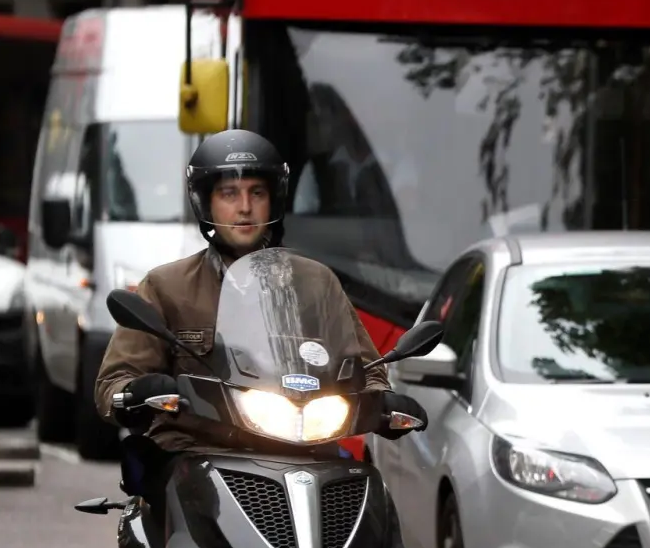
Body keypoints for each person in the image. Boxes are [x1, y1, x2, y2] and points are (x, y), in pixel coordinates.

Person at [92, 128, 424, 506]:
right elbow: (113, 383)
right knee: (167, 514)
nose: (245, 207)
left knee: (372, 517)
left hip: (304, 451)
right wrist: (137, 392)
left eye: (257, 193)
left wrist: (384, 404)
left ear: (274, 200)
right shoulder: (166, 287)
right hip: (197, 456)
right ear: (206, 203)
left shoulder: (316, 284)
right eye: (229, 194)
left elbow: (368, 370)